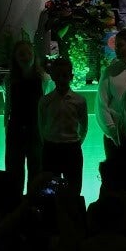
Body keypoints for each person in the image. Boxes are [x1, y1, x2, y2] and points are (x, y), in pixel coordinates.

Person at [38, 56, 87, 195]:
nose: (61, 79)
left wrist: (75, 142)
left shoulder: (79, 101)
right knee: (50, 191)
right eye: (58, 75)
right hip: (52, 148)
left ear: (71, 76)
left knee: (73, 190)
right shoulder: (45, 101)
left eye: (65, 75)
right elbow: (41, 125)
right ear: (52, 76)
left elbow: (84, 127)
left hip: (71, 148)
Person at [4, 39, 45, 194]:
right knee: (14, 172)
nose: (26, 56)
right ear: (15, 57)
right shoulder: (9, 80)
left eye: (28, 53)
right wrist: (7, 129)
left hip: (36, 130)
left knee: (36, 171)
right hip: (15, 129)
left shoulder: (44, 79)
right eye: (21, 54)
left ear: (34, 55)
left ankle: (33, 204)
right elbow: (8, 107)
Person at [96, 26, 126, 158]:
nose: (116, 49)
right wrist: (113, 133)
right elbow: (101, 106)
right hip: (115, 138)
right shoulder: (110, 71)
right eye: (116, 46)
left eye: (120, 45)